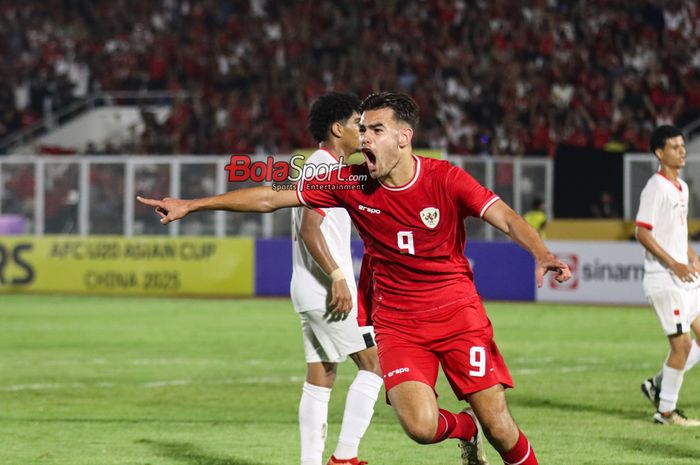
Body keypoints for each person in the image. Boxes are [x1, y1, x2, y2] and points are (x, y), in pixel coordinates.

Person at [137, 92, 571, 465]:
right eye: (362, 129)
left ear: (404, 137)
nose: (365, 138)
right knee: (420, 428)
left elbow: (505, 217)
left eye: (376, 130)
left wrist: (541, 252)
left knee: (501, 426)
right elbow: (271, 197)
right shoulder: (349, 181)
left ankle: (485, 433)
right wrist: (192, 204)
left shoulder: (445, 179)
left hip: (457, 313)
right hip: (399, 322)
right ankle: (463, 429)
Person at [291, 93, 383, 465]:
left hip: (310, 288)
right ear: (336, 128)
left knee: (321, 375)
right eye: (358, 124)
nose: (362, 131)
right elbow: (311, 231)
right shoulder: (323, 168)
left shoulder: (325, 166)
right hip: (327, 290)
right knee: (376, 364)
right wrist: (337, 277)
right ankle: (345, 458)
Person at [635, 125, 700, 426]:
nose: (682, 150)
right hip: (663, 277)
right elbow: (642, 232)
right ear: (660, 153)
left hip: (683, 276)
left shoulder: (682, 187)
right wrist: (675, 263)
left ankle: (657, 384)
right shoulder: (655, 187)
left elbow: (675, 229)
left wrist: (689, 254)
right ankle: (665, 412)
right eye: (675, 146)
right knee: (682, 346)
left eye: (683, 145)